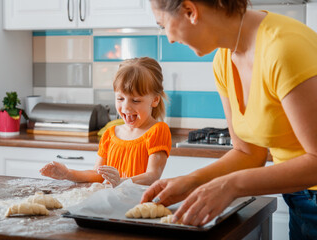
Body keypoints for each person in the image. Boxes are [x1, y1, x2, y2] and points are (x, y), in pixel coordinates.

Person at [141, 0, 317, 238]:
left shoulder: (284, 48)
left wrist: (230, 185)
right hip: (300, 197)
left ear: (190, 11)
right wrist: (191, 181)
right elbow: (247, 152)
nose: (169, 38)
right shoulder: (223, 60)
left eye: (162, 24)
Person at [40, 57, 172, 187]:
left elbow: (153, 175)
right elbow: (97, 175)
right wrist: (67, 174)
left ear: (155, 100)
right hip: (112, 204)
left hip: (139, 205)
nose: (126, 107)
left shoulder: (157, 130)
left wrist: (122, 182)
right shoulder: (110, 134)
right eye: (120, 98)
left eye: (136, 100)